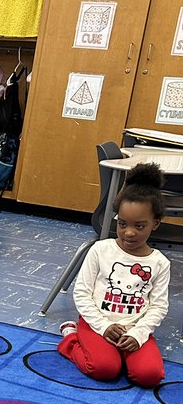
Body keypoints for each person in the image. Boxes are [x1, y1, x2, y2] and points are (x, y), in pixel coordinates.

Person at [57, 162, 169, 386]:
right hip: (96, 323)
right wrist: (103, 326)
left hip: (134, 328)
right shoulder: (100, 250)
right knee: (104, 369)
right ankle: (71, 337)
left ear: (155, 223)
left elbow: (158, 306)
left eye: (139, 226)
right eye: (122, 223)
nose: (128, 232)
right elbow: (81, 293)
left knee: (150, 376)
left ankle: (122, 354)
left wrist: (138, 334)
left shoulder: (160, 263)